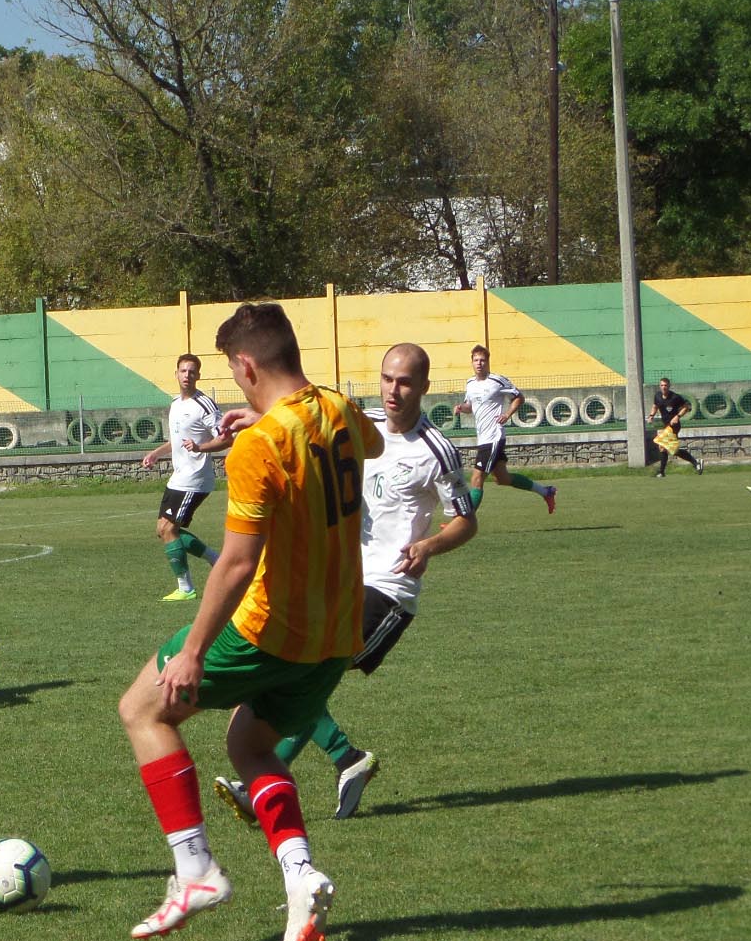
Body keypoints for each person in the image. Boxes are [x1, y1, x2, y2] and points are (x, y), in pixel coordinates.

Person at [118, 302, 382, 941]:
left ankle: (195, 871)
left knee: (143, 710)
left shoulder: (258, 447)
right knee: (252, 746)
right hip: (336, 634)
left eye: (235, 374)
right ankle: (300, 876)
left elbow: (237, 562)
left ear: (246, 365)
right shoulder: (340, 409)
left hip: (270, 629)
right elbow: (368, 444)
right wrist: (268, 417)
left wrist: (194, 650)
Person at [212, 343, 476, 824]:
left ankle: (271, 782)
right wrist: (261, 419)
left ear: (424, 387)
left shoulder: (436, 450)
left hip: (390, 589)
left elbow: (466, 521)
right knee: (299, 671)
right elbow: (306, 429)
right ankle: (347, 758)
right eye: (387, 379)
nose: (393, 390)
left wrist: (429, 546)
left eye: (405, 382)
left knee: (305, 671)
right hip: (340, 576)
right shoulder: (360, 423)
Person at [138, 353, 231, 601]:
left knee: (168, 528)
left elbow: (226, 438)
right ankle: (216, 560)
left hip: (196, 479)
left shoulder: (205, 405)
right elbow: (177, 440)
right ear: (176, 374)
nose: (187, 375)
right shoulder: (175, 404)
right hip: (178, 477)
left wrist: (201, 447)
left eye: (191, 371)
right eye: (183, 371)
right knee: (164, 530)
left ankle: (186, 588)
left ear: (198, 375)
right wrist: (156, 453)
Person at [462, 345, 556, 514]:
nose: (479, 363)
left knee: (476, 479)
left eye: (482, 360)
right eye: (476, 360)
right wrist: (461, 408)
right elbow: (470, 406)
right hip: (483, 438)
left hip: (493, 437)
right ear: (472, 362)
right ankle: (546, 492)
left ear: (488, 362)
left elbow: (519, 397)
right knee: (503, 478)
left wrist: (507, 414)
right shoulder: (470, 384)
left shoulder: (497, 381)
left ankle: (462, 521)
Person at [646, 377, 705, 477]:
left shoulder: (675, 397)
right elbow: (655, 406)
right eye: (662, 385)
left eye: (665, 385)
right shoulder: (657, 396)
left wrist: (677, 416)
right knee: (672, 450)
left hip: (674, 426)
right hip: (666, 426)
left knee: (662, 446)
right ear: (659, 386)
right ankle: (696, 463)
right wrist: (651, 416)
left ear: (669, 386)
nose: (664, 387)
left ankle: (661, 472)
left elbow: (686, 407)